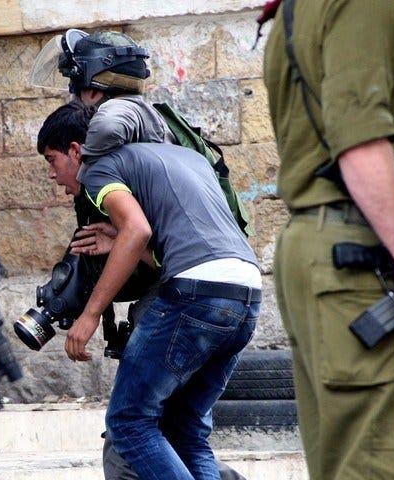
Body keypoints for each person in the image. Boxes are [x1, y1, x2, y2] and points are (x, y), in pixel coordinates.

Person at [262, 0, 394, 478]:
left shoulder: (295, 9)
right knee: (381, 466)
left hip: (319, 247)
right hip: (355, 255)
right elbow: (359, 139)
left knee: (343, 464)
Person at [40, 101, 263, 480]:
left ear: (76, 150)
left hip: (195, 295)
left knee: (129, 423)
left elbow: (137, 228)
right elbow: (185, 239)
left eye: (52, 160)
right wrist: (126, 243)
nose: (52, 174)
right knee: (187, 431)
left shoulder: (98, 168)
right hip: (246, 291)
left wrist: (91, 314)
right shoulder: (185, 157)